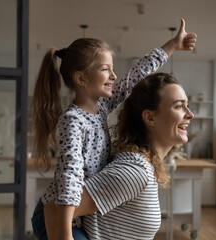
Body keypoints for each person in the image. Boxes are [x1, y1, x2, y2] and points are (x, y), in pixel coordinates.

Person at [31, 18, 197, 240]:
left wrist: (172, 46)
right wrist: (65, 235)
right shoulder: (72, 121)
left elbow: (135, 77)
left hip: (74, 210)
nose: (114, 76)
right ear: (81, 78)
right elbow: (69, 174)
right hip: (60, 209)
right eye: (105, 69)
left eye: (113, 69)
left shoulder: (101, 107)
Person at [44, 72, 194, 240]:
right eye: (179, 106)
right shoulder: (135, 171)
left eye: (187, 105)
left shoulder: (144, 166)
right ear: (150, 117)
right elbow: (53, 208)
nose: (190, 114)